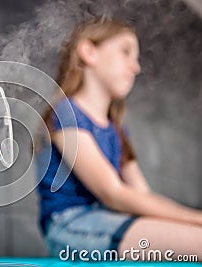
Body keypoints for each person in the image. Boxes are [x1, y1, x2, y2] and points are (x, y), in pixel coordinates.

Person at [36, 17, 202, 261]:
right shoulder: (66, 113)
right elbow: (113, 193)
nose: (136, 67)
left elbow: (141, 194)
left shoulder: (117, 128)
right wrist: (195, 218)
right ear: (88, 51)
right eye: (126, 52)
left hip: (110, 219)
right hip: (70, 226)